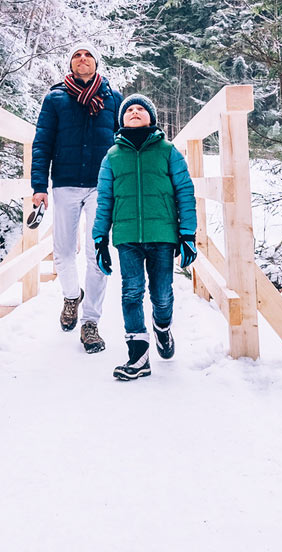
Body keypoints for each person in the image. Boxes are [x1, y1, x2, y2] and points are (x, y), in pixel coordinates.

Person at [92, 94, 197, 381]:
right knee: (131, 292)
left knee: (162, 295)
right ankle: (138, 355)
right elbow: (104, 201)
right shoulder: (112, 156)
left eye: (141, 109)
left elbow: (185, 194)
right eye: (129, 110)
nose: (135, 112)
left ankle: (162, 328)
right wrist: (100, 238)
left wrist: (188, 234)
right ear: (121, 119)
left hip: (163, 235)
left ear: (152, 118)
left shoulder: (168, 151)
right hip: (127, 237)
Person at [30, 42, 123, 354]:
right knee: (63, 253)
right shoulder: (56, 98)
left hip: (102, 184)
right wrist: (39, 186)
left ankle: (91, 322)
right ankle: (72, 296)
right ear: (70, 65)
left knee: (98, 254)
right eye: (76, 55)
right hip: (66, 183)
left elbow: (125, 142)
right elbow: (42, 142)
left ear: (97, 63)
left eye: (88, 55)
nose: (82, 59)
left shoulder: (113, 98)